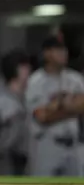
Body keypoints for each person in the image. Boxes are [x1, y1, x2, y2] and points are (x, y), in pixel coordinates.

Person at [26, 36, 84, 176]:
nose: (64, 54)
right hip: (47, 145)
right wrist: (71, 109)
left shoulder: (75, 79)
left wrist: (57, 107)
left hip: (74, 145)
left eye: (64, 50)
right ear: (47, 53)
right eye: (58, 50)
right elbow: (42, 116)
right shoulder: (36, 81)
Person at [0, 50, 31, 175]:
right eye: (23, 67)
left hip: (26, 153)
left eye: (27, 67)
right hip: (1, 154)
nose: (27, 71)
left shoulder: (31, 91)